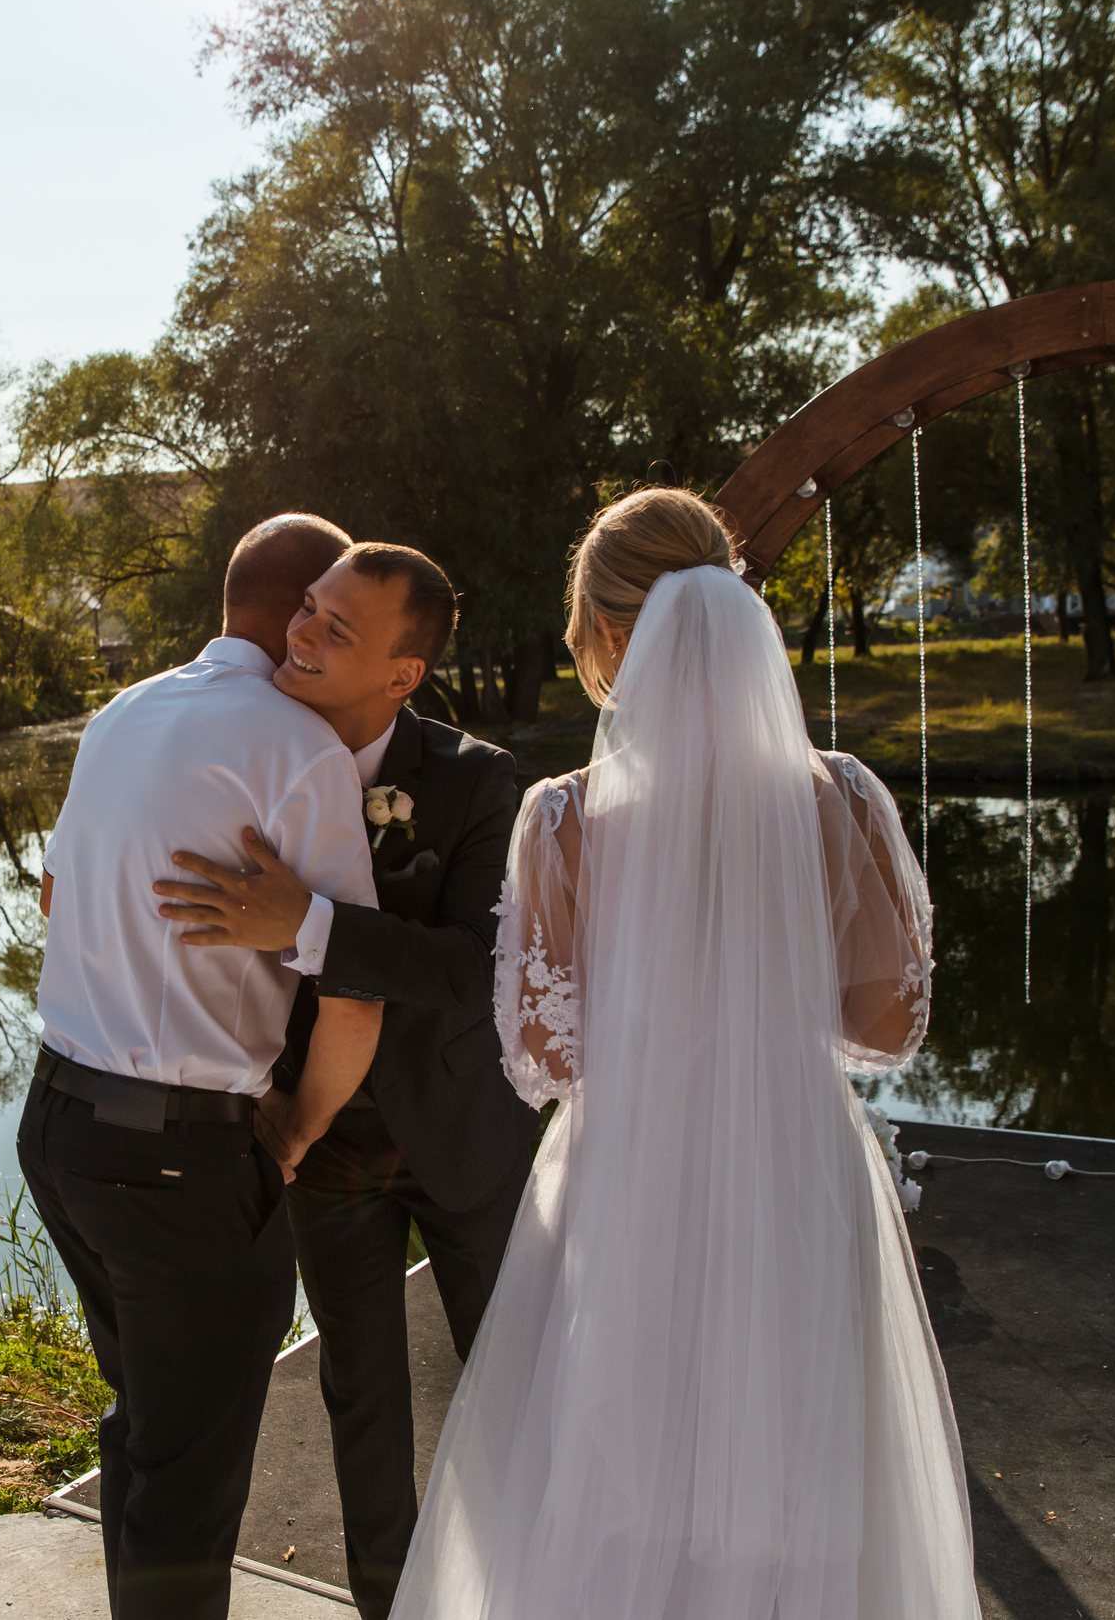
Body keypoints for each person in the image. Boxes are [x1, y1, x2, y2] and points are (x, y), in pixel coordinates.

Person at [392, 489, 979, 1620]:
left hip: (632, 1184)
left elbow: (542, 1059)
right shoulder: (842, 797)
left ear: (609, 634)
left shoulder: (564, 819)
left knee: (622, 1492)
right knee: (807, 1483)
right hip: (797, 1170)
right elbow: (886, 1030)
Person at [152, 542, 530, 1620]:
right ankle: (390, 1607)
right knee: (359, 1399)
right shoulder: (255, 752)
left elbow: (472, 968)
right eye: (307, 612)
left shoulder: (476, 780)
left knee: (508, 1387)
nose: (302, 636)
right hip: (320, 1144)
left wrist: (309, 926)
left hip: (464, 1135)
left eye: (336, 630)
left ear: (402, 675)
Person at [22, 513, 387, 1620]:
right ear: (292, 615)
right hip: (177, 1161)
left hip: (59, 1128)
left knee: (148, 1424)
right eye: (324, 610)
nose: (328, 631)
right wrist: (299, 1126)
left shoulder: (122, 713)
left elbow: (56, 892)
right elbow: (354, 991)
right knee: (190, 1472)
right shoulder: (297, 749)